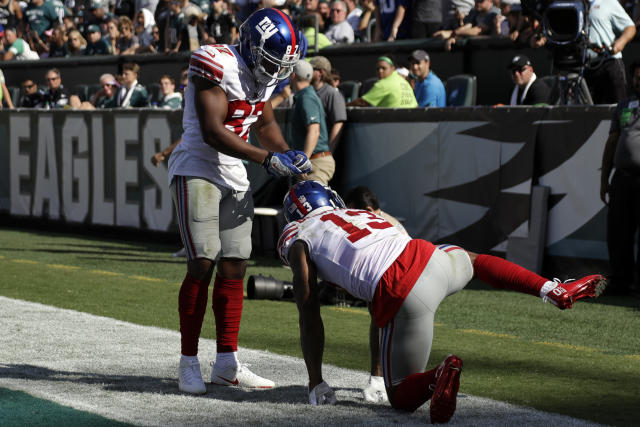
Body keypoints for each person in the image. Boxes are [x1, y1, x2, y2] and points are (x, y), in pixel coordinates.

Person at [278, 180, 606, 421]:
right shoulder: (354, 214)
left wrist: (315, 381)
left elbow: (309, 309)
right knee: (474, 261)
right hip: (427, 253)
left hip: (400, 288)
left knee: (402, 397)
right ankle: (551, 288)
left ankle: (439, 375)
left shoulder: (299, 236)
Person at [167, 8, 311, 395]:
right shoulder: (215, 62)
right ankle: (187, 361)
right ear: (250, 45)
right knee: (202, 259)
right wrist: (268, 159)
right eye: (269, 61)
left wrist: (288, 154)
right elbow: (213, 132)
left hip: (234, 175)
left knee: (235, 264)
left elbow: (264, 124)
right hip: (197, 166)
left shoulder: (263, 76)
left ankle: (227, 362)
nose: (275, 71)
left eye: (281, 65)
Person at [599, 59, 640, 297]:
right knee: (617, 234)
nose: (638, 80)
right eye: (635, 76)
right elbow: (612, 141)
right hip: (622, 179)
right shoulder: (623, 105)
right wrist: (604, 179)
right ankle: (619, 281)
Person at [289, 60, 333, 185]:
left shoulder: (306, 97)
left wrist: (304, 161)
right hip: (313, 162)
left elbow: (314, 131)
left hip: (316, 163)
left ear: (293, 76)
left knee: (314, 203)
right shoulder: (306, 96)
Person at [347, 56, 417, 108]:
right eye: (378, 69)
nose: (380, 71)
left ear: (392, 68)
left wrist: (345, 106)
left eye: (384, 68)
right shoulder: (403, 81)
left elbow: (362, 102)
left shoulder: (383, 84)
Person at [309, 56, 346, 152]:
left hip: (322, 154)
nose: (307, 72)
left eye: (311, 69)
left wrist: (329, 151)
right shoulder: (309, 93)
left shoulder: (332, 93)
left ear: (321, 72)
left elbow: (338, 124)